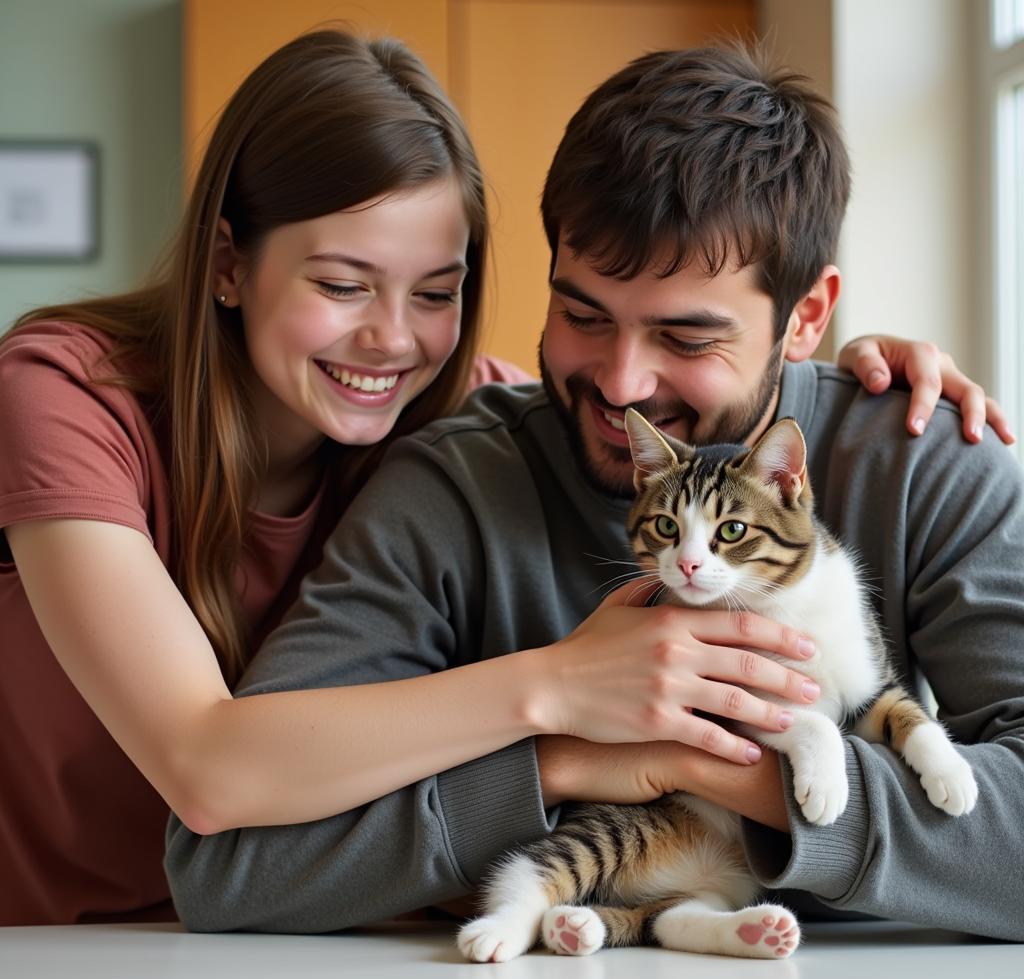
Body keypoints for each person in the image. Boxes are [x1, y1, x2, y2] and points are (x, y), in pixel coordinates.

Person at [0, 31, 1003, 929]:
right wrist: (565, 703)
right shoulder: (443, 458)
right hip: (43, 931)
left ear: (804, 315)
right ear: (230, 264)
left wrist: (848, 395)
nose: (619, 386)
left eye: (435, 292)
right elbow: (216, 799)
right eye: (582, 313)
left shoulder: (921, 443)